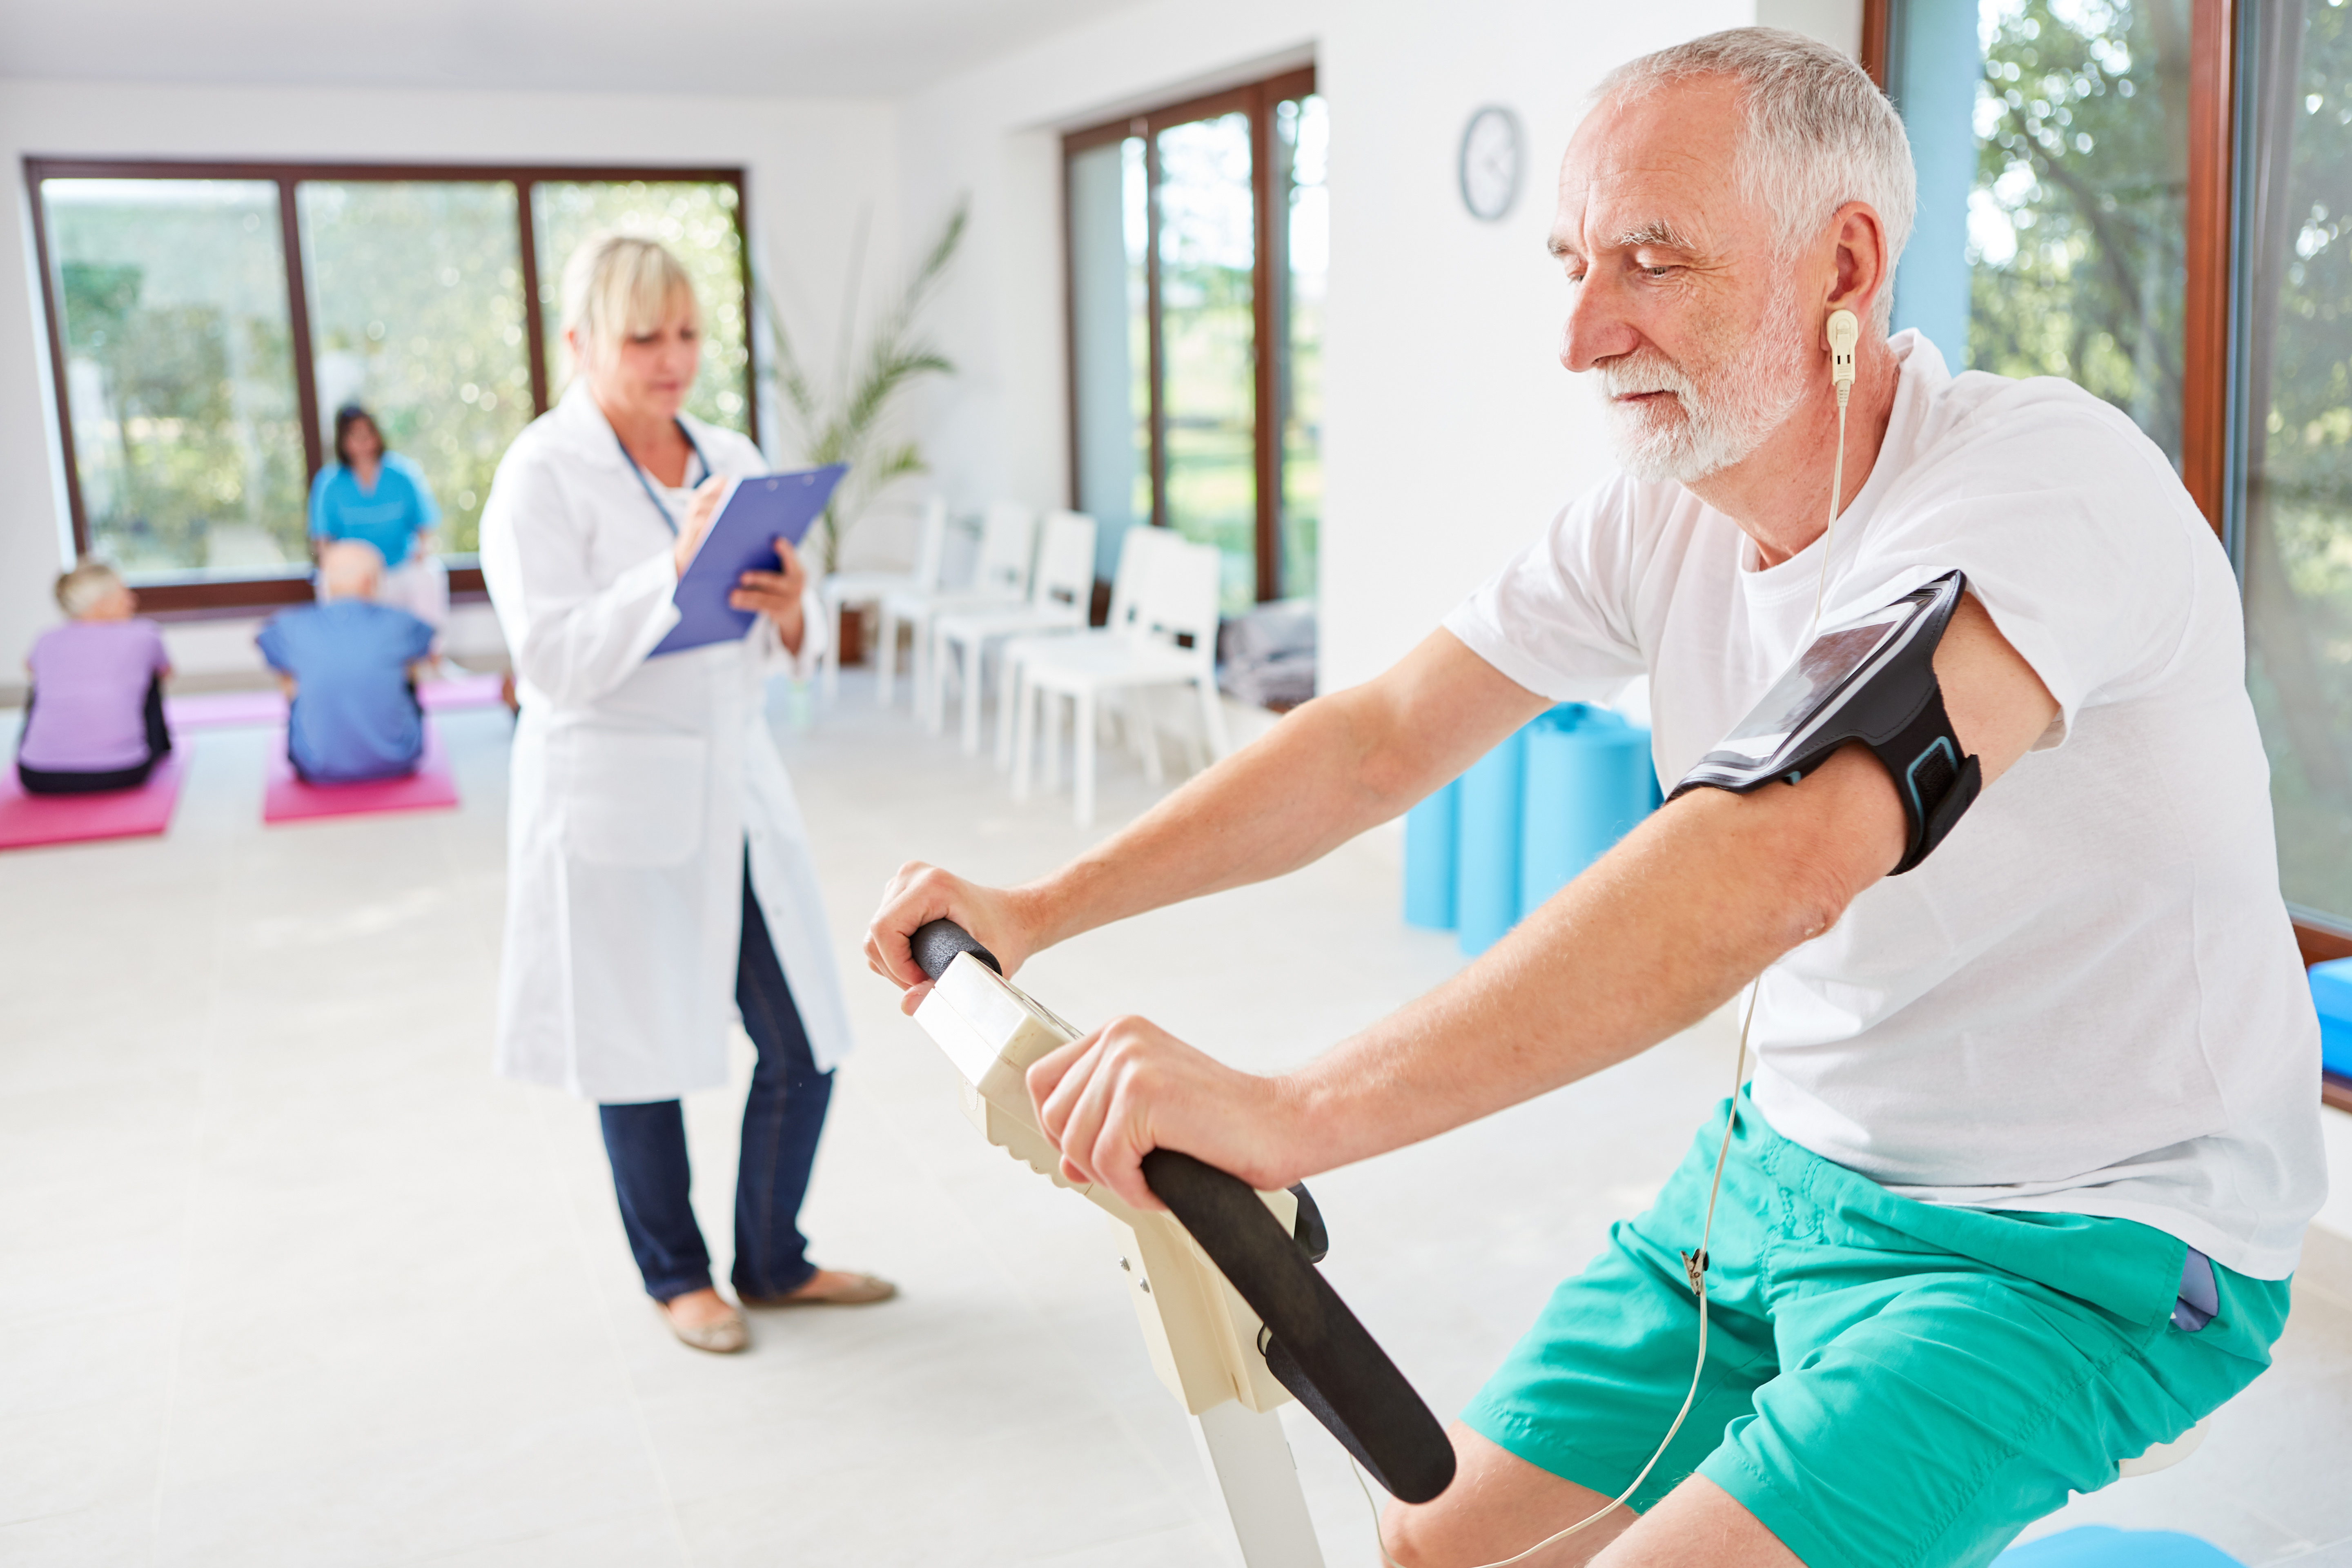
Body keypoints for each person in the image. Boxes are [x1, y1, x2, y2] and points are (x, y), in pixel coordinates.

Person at [866, 29, 2324, 1568]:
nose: (1578, 334)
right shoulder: (1654, 523)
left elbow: (1783, 859)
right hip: (1785, 1171)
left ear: (1841, 267)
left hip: (2079, 1236)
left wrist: (1290, 1114)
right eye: (1569, 259)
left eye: (1648, 260)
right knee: (1432, 1549)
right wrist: (1039, 908)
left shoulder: (2043, 491)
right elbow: (1375, 741)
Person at [479, 232, 893, 1357]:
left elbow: (770, 646)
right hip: (613, 790)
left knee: (805, 1035)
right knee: (635, 1042)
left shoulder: (730, 452)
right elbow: (552, 662)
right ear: (579, 344)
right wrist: (667, 574)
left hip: (735, 784)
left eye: (689, 334)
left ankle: (774, 1260)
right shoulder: (541, 476)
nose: (674, 359)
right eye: (642, 337)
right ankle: (678, 1276)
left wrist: (795, 604)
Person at [257, 541, 434, 784]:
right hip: (400, 760)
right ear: (370, 581)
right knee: (405, 668)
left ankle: (322, 736)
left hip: (316, 767)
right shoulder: (402, 622)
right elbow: (426, 653)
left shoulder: (290, 625)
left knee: (295, 672)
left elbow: (268, 651)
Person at [16, 559, 172, 794]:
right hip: (123, 771)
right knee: (150, 679)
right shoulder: (145, 634)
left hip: (36, 776)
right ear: (101, 603)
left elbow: (29, 669)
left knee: (41, 686)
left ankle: (46, 748)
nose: (133, 600)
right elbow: (167, 672)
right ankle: (162, 749)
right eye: (124, 593)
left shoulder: (45, 639)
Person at [309, 403, 450, 637]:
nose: (363, 442)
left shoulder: (403, 475)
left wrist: (420, 552)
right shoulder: (330, 484)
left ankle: (430, 656)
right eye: (355, 436)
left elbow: (425, 527)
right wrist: (340, 570)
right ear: (343, 442)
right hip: (355, 575)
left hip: (398, 567)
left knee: (430, 574)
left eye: (368, 434)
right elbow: (323, 541)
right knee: (324, 580)